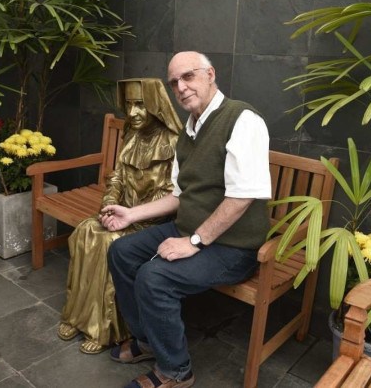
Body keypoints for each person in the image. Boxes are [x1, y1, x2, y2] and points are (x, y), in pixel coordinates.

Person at [101, 51, 271, 388]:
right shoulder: (189, 131)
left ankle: (176, 372)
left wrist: (194, 242)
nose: (181, 87)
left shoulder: (243, 120)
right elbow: (180, 196)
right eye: (174, 82)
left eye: (188, 76)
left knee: (155, 277)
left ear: (210, 74)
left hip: (234, 247)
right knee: (121, 252)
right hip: (190, 229)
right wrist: (131, 213)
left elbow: (241, 197)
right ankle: (149, 340)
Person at [57, 78, 182, 354]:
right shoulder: (132, 136)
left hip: (152, 222)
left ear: (155, 105)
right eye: (129, 105)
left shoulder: (174, 143)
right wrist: (109, 204)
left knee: (109, 243)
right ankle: (77, 318)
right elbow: (116, 178)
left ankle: (104, 329)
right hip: (122, 212)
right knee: (85, 232)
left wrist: (132, 216)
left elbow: (172, 195)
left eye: (140, 105)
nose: (133, 112)